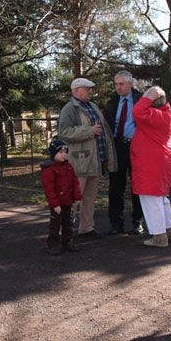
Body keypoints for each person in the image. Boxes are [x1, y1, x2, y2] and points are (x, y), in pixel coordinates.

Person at [58, 77, 117, 239]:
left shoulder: (92, 106)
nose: (91, 91)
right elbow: (64, 132)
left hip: (95, 161)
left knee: (89, 198)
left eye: (91, 88)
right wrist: (89, 131)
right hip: (79, 162)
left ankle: (86, 228)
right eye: (87, 88)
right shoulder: (69, 109)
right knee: (73, 198)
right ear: (76, 90)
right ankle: (65, 231)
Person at [131, 86, 171, 248]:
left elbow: (137, 111)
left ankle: (159, 236)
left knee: (151, 199)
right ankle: (170, 230)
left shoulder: (155, 115)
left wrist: (148, 96)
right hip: (163, 162)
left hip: (151, 163)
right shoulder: (168, 114)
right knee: (161, 198)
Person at [103, 70, 144, 235]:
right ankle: (116, 224)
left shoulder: (141, 100)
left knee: (138, 185)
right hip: (117, 147)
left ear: (130, 84)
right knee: (115, 187)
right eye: (116, 84)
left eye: (122, 84)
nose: (118, 87)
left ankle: (138, 222)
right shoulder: (112, 102)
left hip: (137, 147)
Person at [40, 139, 83, 255]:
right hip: (57, 204)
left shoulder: (68, 166)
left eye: (65, 152)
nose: (64, 154)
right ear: (54, 153)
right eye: (60, 152)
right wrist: (55, 204)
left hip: (68, 202)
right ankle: (52, 244)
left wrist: (77, 197)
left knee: (68, 224)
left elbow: (75, 182)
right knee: (55, 225)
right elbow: (49, 189)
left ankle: (67, 241)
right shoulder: (49, 169)